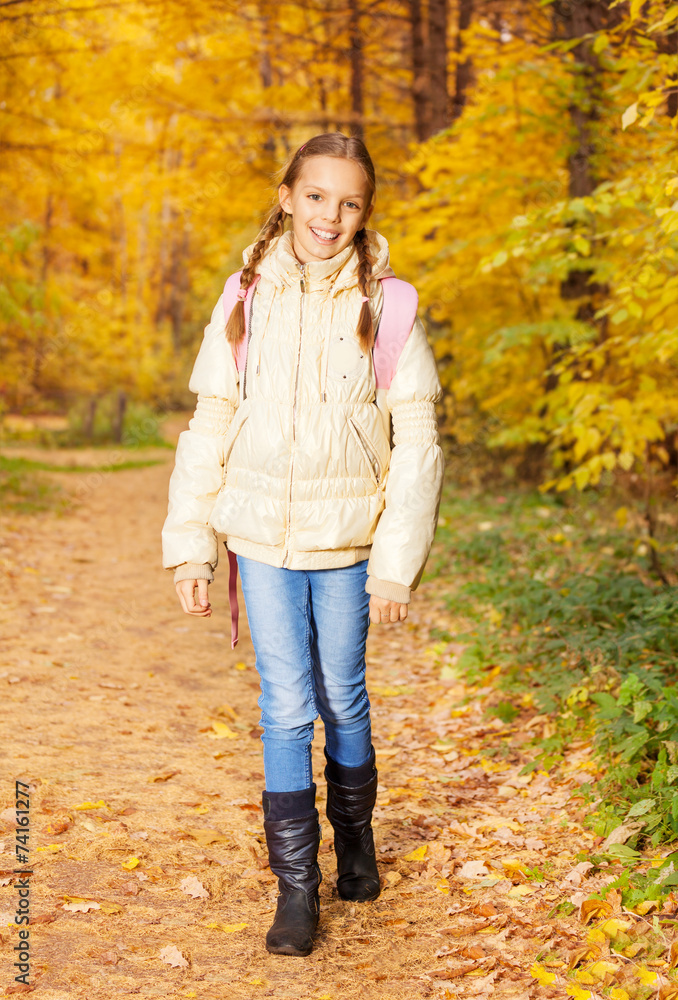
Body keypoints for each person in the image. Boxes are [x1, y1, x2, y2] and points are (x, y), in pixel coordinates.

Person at [162, 132, 444, 957]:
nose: (332, 215)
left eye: (350, 201)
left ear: (365, 213)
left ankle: (356, 839)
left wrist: (396, 566)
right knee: (285, 708)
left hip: (350, 542)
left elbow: (417, 435)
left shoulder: (390, 305)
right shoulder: (246, 294)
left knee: (344, 697)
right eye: (317, 196)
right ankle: (297, 890)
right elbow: (211, 417)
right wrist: (193, 546)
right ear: (287, 196)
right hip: (261, 540)